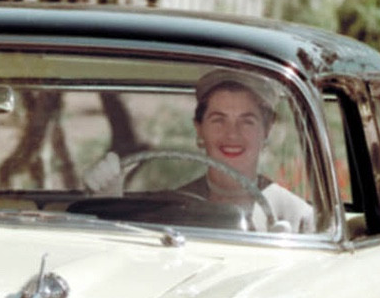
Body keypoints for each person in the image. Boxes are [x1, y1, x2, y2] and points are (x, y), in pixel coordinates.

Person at [83, 69, 316, 233]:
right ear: (199, 129)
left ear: (267, 130)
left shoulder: (298, 216)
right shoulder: (173, 207)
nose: (232, 134)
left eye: (247, 121)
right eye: (218, 120)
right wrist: (108, 204)